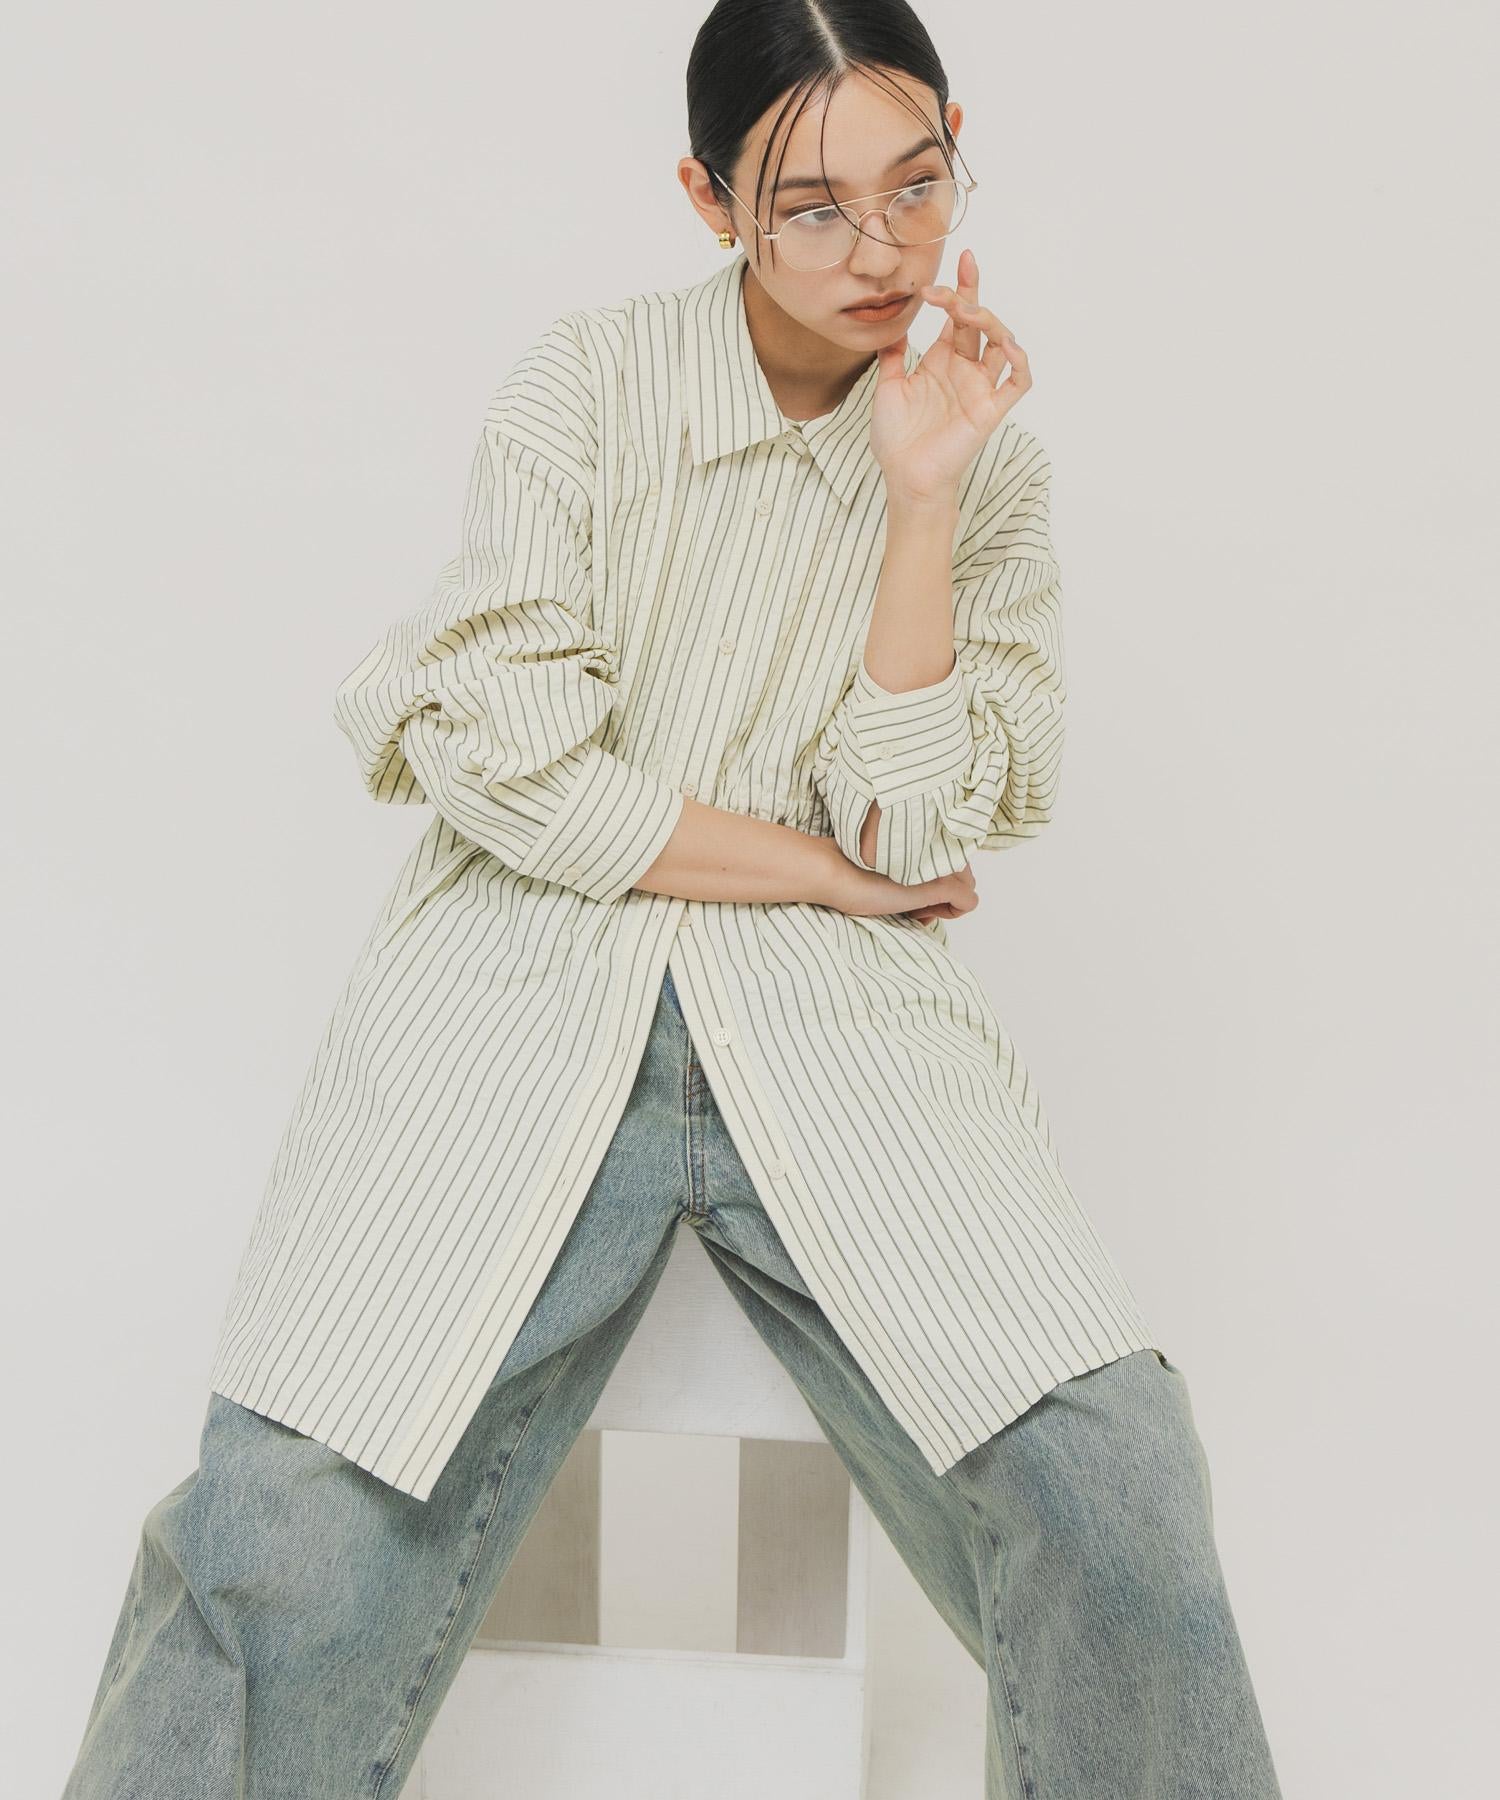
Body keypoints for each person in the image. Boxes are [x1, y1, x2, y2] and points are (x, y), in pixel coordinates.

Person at [61, 3, 1284, 1796]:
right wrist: (813, 869)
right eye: (813, 208)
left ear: (959, 149)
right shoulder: (588, 384)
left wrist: (922, 503)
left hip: (845, 1020)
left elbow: (914, 823)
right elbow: (518, 771)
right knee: (282, 1531)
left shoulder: (985, 456)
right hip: (515, 984)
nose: (883, 252)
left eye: (918, 186)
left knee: (1116, 1483)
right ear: (712, 201)